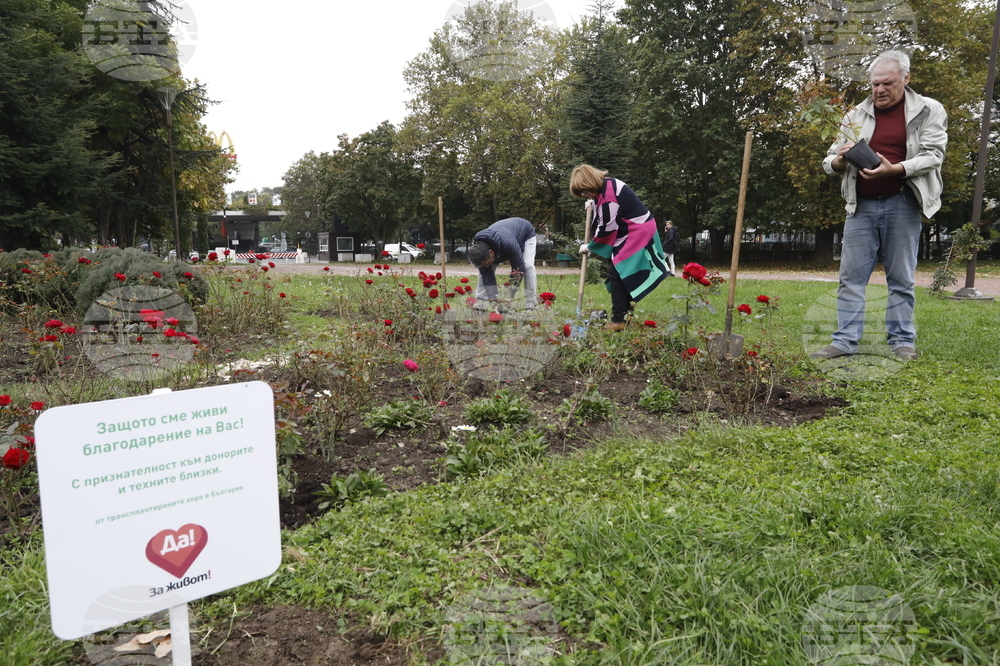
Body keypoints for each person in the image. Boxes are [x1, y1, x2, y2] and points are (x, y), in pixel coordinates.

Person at [812, 50, 946, 362]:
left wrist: (895, 169)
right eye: (875, 84)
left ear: (906, 78)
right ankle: (844, 341)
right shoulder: (855, 115)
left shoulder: (929, 109)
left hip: (903, 202)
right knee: (850, 278)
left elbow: (933, 155)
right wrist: (839, 160)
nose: (879, 90)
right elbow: (829, 160)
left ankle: (902, 342)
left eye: (887, 83)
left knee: (901, 279)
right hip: (860, 206)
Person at [569, 164, 668, 331]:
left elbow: (606, 227)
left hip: (638, 231)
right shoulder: (606, 186)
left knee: (618, 273)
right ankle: (626, 315)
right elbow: (604, 212)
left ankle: (618, 320)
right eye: (581, 192)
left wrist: (590, 247)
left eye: (584, 190)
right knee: (621, 274)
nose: (583, 195)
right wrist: (593, 203)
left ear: (590, 182)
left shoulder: (608, 197)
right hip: (633, 229)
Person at [467, 217, 538, 309]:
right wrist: (495, 303)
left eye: (487, 262)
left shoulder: (508, 244)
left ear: (491, 252)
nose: (487, 266)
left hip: (525, 234)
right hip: (503, 238)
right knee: (483, 272)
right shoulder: (479, 250)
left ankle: (531, 304)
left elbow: (518, 269)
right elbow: (487, 278)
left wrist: (508, 297)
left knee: (527, 266)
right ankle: (481, 303)